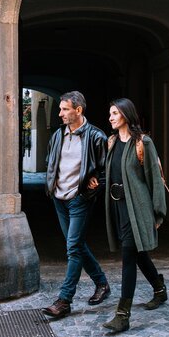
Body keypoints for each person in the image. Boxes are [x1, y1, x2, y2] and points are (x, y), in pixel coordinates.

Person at [42, 91, 110, 319]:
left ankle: (64, 300)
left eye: (64, 109)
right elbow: (50, 162)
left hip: (79, 199)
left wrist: (96, 183)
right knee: (77, 245)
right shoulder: (58, 136)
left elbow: (108, 169)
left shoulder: (96, 136)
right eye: (60, 109)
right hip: (59, 199)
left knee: (72, 248)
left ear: (78, 110)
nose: (60, 113)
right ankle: (102, 283)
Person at [103, 98, 167, 333]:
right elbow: (110, 174)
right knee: (138, 253)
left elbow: (154, 179)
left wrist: (158, 213)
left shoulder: (143, 143)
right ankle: (159, 288)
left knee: (128, 256)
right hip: (118, 207)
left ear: (126, 116)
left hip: (137, 209)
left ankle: (122, 315)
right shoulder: (111, 142)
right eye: (109, 113)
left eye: (115, 113)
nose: (110, 117)